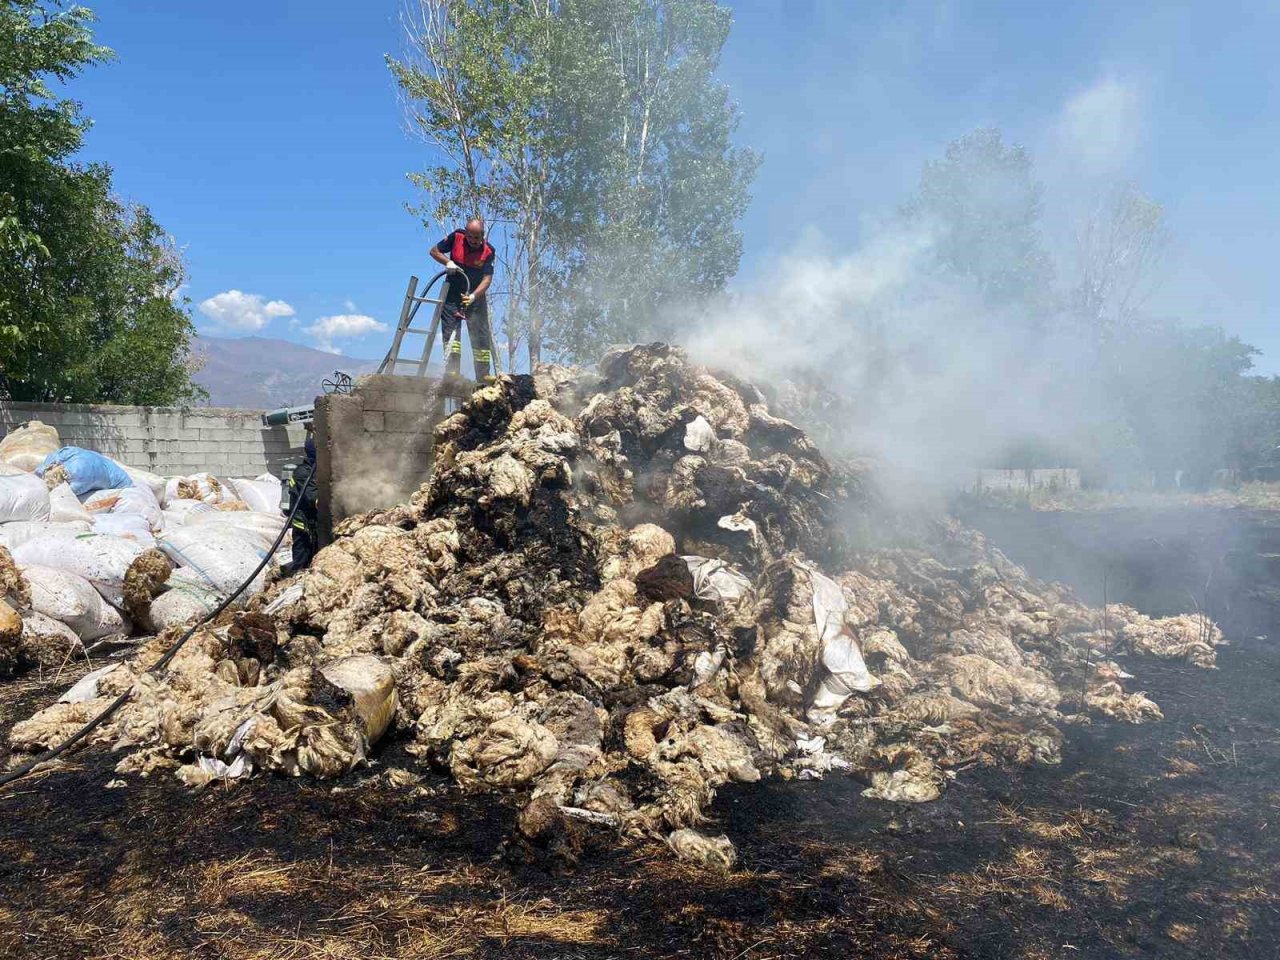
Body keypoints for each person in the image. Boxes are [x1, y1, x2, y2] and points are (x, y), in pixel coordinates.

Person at [429, 217, 496, 380]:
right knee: (451, 331)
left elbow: (487, 279)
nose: (473, 241)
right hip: (452, 294)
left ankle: (484, 375)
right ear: (466, 233)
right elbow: (434, 251)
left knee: (480, 334)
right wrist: (448, 262)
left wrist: (473, 296)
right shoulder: (456, 237)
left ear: (483, 236)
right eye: (470, 237)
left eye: (477, 237)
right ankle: (452, 371)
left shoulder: (488, 251)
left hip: (474, 297)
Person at [283, 434, 319, 574]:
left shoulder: (315, 471)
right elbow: (313, 498)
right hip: (303, 524)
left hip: (312, 523)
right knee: (302, 560)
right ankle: (294, 581)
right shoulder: (303, 473)